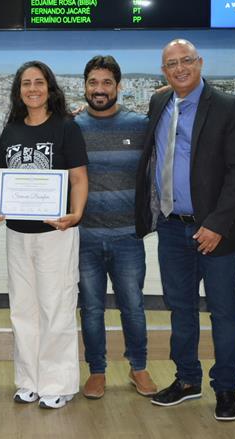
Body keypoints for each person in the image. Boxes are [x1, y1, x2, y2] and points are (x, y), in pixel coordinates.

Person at [135, 39, 235, 422]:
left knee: (223, 312)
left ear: (200, 63)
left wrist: (216, 224)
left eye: (187, 60)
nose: (180, 68)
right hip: (171, 228)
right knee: (180, 308)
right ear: (163, 70)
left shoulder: (228, 106)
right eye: (172, 63)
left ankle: (226, 387)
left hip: (214, 231)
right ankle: (187, 379)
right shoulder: (159, 103)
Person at [0, 60, 88, 410]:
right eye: (26, 83)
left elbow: (78, 178)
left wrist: (75, 215)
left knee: (56, 307)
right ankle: (28, 380)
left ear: (50, 88)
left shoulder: (66, 128)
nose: (32, 88)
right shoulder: (12, 128)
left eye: (39, 82)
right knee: (23, 309)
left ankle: (57, 383)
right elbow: (3, 177)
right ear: (18, 90)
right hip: (17, 233)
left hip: (55, 233)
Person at [74, 55, 157, 400]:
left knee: (133, 306)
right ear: (85, 87)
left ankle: (138, 366)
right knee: (91, 308)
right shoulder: (73, 127)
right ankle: (97, 371)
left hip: (127, 236)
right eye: (93, 82)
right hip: (85, 237)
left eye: (107, 83)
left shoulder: (140, 125)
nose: (99, 89)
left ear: (119, 87)